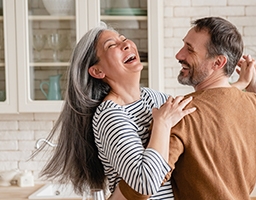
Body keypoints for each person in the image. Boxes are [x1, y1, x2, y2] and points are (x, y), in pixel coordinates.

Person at [124, 16, 256, 199]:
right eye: (184, 45)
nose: (179, 55)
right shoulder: (255, 105)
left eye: (189, 50)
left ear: (218, 63)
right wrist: (255, 87)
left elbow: (141, 189)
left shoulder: (180, 113)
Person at [33, 22, 197, 200]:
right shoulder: (110, 115)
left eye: (124, 39)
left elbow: (193, 119)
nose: (126, 44)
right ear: (97, 71)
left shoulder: (153, 98)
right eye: (112, 45)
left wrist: (229, 90)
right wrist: (162, 124)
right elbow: (145, 184)